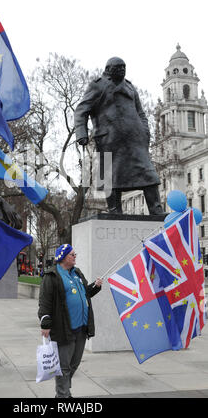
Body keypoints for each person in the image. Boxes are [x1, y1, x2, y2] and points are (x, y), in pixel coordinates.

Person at [74, 57, 163, 215]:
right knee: (109, 177)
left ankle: (156, 209)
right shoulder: (97, 85)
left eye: (124, 67)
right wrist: (81, 133)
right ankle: (114, 210)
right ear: (108, 69)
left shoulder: (129, 86)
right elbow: (81, 110)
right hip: (109, 140)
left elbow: (140, 112)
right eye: (118, 67)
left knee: (147, 173)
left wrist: (145, 133)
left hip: (135, 139)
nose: (122, 70)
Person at [38, 244, 103, 398]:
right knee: (63, 367)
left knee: (74, 364)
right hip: (64, 328)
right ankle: (63, 396)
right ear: (63, 257)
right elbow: (45, 302)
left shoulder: (77, 273)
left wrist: (95, 286)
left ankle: (64, 391)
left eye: (75, 254)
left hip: (81, 328)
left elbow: (85, 293)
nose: (75, 257)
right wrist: (45, 322)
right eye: (72, 254)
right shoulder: (52, 276)